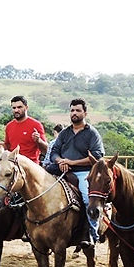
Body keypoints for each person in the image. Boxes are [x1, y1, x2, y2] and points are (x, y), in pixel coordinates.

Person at [45, 98, 105, 248]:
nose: (74, 113)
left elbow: (97, 156)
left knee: (87, 199)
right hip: (62, 170)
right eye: (72, 110)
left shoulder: (92, 133)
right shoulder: (64, 133)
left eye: (78, 110)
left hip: (84, 172)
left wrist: (72, 163)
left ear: (85, 112)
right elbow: (54, 152)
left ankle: (92, 233)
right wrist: (61, 161)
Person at [0, 95, 47, 164]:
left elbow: (46, 150)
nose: (16, 110)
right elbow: (7, 147)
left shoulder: (36, 125)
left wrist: (38, 140)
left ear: (26, 108)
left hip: (31, 166)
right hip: (13, 165)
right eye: (14, 108)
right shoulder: (9, 126)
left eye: (19, 107)